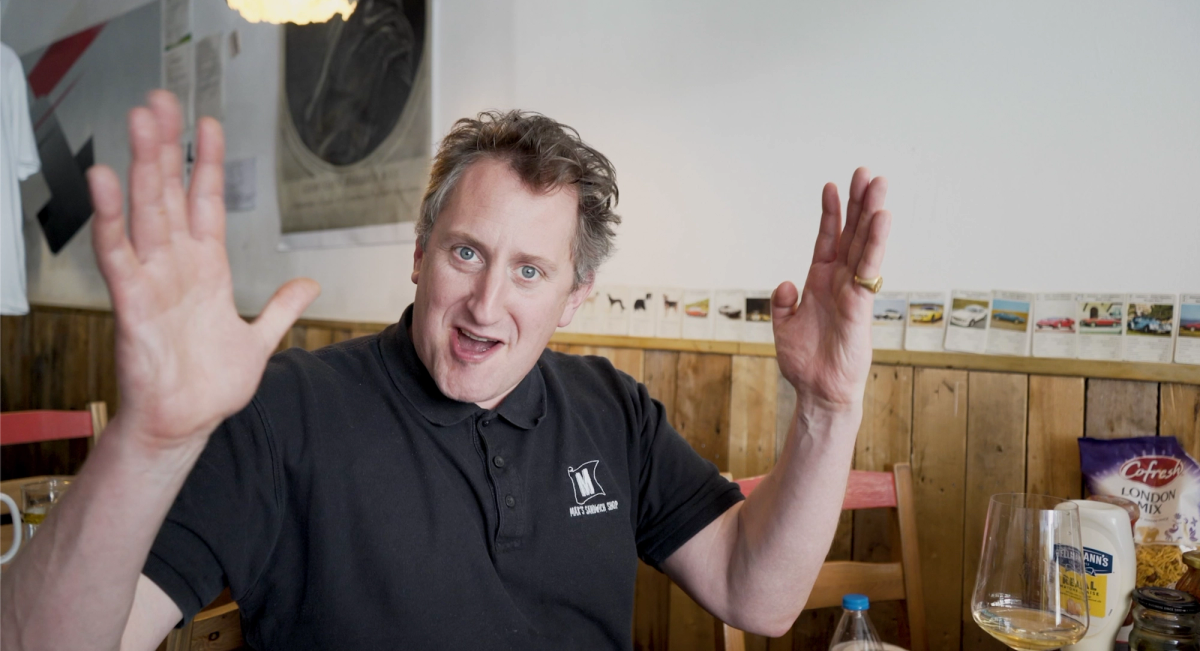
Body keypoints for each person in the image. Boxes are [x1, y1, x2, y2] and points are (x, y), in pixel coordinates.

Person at [0, 91, 890, 651]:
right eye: (467, 251)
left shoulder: (611, 410)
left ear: (574, 294)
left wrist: (826, 402)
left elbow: (757, 595)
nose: (486, 302)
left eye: (530, 270)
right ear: (421, 253)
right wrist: (147, 441)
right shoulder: (281, 411)